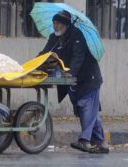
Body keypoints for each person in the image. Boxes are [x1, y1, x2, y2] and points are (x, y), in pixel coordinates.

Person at [38, 10, 109, 154]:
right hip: (72, 81)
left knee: (86, 107)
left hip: (89, 78)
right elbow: (45, 54)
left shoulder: (78, 35)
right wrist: (34, 65)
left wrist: (70, 72)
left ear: (65, 24)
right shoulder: (54, 37)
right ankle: (102, 143)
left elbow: (78, 57)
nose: (55, 26)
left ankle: (84, 140)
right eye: (54, 23)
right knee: (86, 111)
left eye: (57, 23)